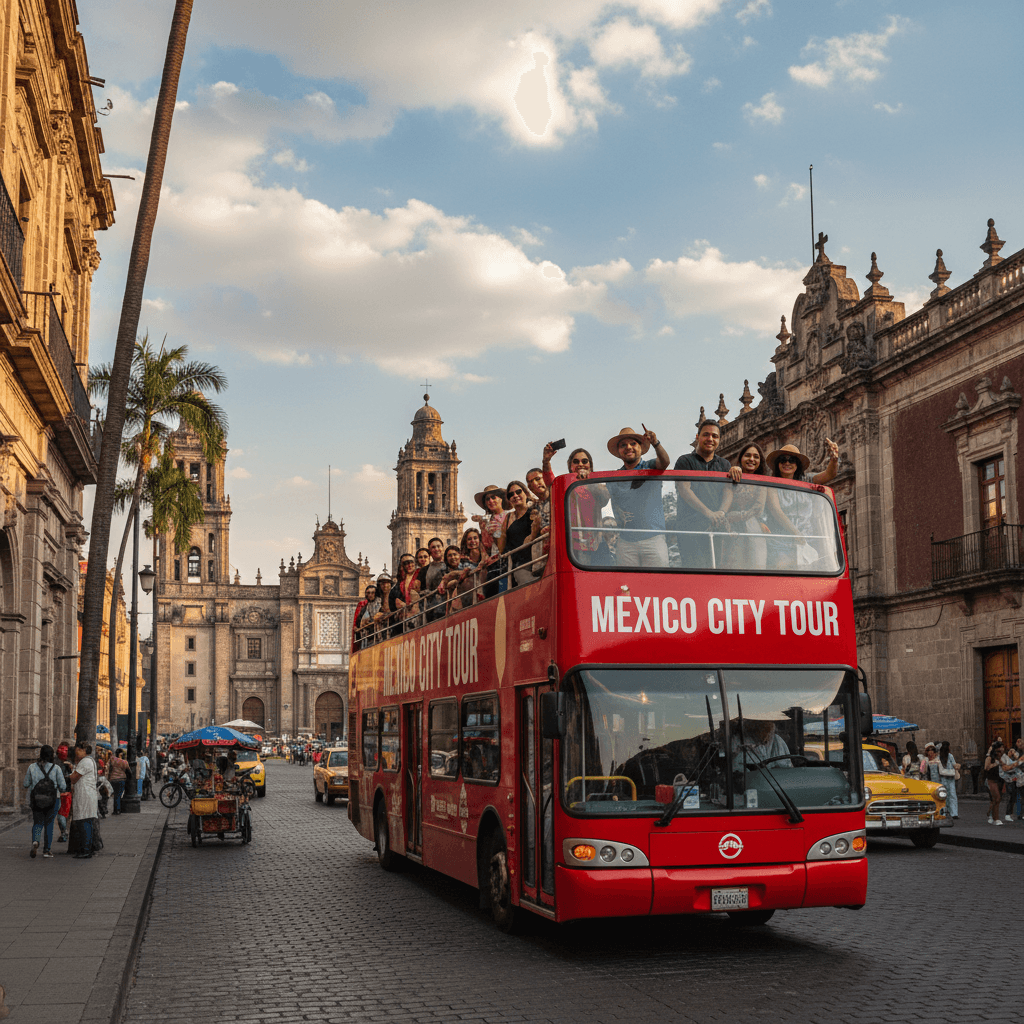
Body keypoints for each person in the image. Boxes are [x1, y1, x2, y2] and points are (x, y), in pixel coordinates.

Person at [673, 420, 740, 568]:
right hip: (689, 529)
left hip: (715, 527)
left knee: (715, 572)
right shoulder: (684, 461)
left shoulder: (724, 464)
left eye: (715, 436)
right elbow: (684, 490)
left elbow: (727, 491)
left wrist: (721, 512)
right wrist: (709, 513)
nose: (710, 439)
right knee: (695, 574)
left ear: (719, 440)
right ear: (698, 437)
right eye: (706, 435)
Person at [763, 441, 840, 569]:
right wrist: (795, 533)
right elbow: (777, 511)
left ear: (797, 465)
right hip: (782, 540)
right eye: (783, 460)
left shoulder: (807, 480)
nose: (787, 463)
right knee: (782, 570)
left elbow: (829, 474)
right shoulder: (772, 485)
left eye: (791, 460)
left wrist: (834, 459)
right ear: (777, 464)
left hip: (809, 539)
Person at [605, 425, 670, 567]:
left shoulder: (650, 466)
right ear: (619, 451)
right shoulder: (614, 476)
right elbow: (606, 497)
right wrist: (618, 513)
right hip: (626, 542)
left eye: (633, 443)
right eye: (623, 445)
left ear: (640, 448)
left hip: (653, 539)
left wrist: (656, 443)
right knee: (627, 586)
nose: (628, 447)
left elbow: (665, 462)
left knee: (657, 584)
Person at [548, 447, 607, 564]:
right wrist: (546, 462)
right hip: (574, 545)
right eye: (576, 461)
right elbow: (550, 482)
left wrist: (589, 479)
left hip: (597, 543)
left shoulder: (596, 484)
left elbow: (605, 498)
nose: (580, 464)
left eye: (584, 461)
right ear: (570, 466)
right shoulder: (565, 486)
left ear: (590, 465)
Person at [719, 442, 773, 569]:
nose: (752, 459)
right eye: (747, 455)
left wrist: (733, 516)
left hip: (753, 527)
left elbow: (758, 509)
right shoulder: (732, 476)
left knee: (755, 565)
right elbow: (725, 502)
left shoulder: (762, 481)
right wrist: (722, 516)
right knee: (732, 567)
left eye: (756, 456)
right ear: (741, 458)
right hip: (731, 529)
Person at [23, 744, 67, 859]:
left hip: (36, 799)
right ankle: (47, 850)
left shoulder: (32, 767)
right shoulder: (56, 768)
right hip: (53, 800)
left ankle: (35, 841)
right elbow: (63, 786)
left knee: (37, 822)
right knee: (49, 824)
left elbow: (25, 784)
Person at [472, 485, 511, 598]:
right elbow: (486, 546)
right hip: (492, 565)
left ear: (501, 499)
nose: (490, 501)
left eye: (493, 497)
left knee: (504, 595)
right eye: (487, 499)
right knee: (491, 597)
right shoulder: (485, 521)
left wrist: (497, 533)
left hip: (505, 561)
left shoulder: (509, 516)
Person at [68, 742, 101, 858]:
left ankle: (86, 850)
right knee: (86, 822)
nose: (76, 752)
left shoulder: (85, 762)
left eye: (78, 750)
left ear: (83, 750)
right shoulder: (87, 761)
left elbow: (73, 778)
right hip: (86, 795)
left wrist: (68, 774)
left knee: (84, 822)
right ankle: (87, 848)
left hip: (85, 796)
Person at [500, 480, 535, 586]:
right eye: (511, 494)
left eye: (518, 492)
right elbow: (501, 548)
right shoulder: (508, 517)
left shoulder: (534, 511)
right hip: (515, 565)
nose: (515, 496)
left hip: (533, 561)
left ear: (526, 493)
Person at [525, 466, 550, 576]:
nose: (535, 483)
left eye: (538, 479)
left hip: (561, 553)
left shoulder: (559, 497)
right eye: (530, 482)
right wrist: (534, 532)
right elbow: (525, 541)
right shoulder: (531, 509)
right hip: (541, 561)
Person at [394, 555, 422, 630]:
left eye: (411, 562)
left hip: (419, 610)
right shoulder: (401, 583)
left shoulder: (420, 573)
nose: (409, 565)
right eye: (406, 563)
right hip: (407, 614)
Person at [1000, 740, 1023, 822]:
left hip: (1018, 778)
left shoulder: (1017, 756)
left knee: (1018, 797)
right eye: (1010, 751)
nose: (1012, 753)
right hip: (1010, 779)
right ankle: (1008, 814)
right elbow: (1005, 768)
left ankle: (1020, 814)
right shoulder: (1004, 758)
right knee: (1011, 796)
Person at [984, 740, 1005, 824]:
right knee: (997, 798)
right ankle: (996, 819)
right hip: (991, 780)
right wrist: (996, 763)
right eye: (1000, 749)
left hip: (1000, 780)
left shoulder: (1002, 757)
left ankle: (990, 813)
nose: (1001, 750)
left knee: (996, 800)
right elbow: (986, 768)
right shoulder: (989, 758)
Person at [938, 740, 959, 819]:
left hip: (943, 778)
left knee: (944, 796)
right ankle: (953, 813)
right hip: (950, 778)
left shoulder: (940, 757)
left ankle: (944, 812)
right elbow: (954, 765)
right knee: (952, 795)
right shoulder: (950, 756)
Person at [106, 747, 131, 814]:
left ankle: (115, 810)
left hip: (113, 779)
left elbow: (107, 768)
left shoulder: (112, 759)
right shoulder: (124, 762)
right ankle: (118, 809)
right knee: (118, 795)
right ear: (121, 754)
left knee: (115, 795)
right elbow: (129, 770)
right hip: (121, 779)